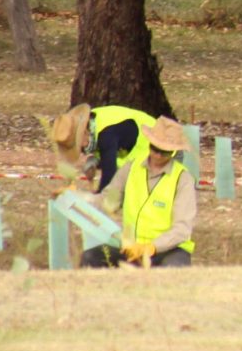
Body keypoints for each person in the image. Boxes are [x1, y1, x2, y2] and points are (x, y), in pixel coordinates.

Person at [84, 116, 197, 269]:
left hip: (168, 250)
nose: (157, 155)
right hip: (131, 247)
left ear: (173, 152)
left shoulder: (183, 179)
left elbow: (181, 229)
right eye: (154, 149)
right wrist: (76, 197)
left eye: (164, 152)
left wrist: (152, 247)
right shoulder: (131, 167)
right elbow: (108, 201)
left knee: (173, 270)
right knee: (90, 257)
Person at [50, 102, 157, 191]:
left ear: (84, 132)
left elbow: (109, 177)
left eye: (78, 145)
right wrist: (96, 162)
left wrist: (95, 200)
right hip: (136, 153)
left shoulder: (107, 135)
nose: (82, 151)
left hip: (156, 147)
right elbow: (110, 155)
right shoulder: (94, 123)